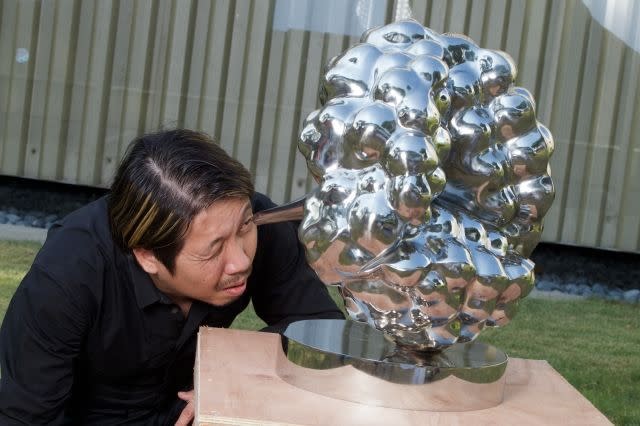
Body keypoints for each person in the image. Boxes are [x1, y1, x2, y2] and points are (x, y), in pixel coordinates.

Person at [0, 129, 343, 425]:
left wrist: (234, 371)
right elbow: (29, 416)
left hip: (197, 412)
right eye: (213, 250)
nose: (240, 261)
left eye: (245, 227)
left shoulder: (251, 221)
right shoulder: (66, 276)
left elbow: (321, 329)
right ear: (148, 255)